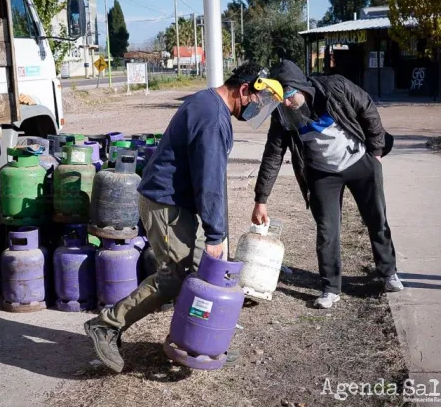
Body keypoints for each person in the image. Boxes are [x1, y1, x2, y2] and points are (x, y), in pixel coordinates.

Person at [85, 62, 284, 373]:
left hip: (176, 204)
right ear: (244, 89)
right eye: (256, 102)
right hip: (165, 204)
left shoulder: (207, 102)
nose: (255, 109)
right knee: (175, 277)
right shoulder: (213, 119)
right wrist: (216, 235)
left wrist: (214, 231)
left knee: (196, 273)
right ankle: (106, 326)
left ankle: (195, 341)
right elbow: (209, 181)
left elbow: (207, 179)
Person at [251, 59, 403, 310]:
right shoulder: (282, 115)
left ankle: (388, 274)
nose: (286, 103)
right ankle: (331, 288)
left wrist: (375, 153)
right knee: (327, 231)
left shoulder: (335, 88)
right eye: (281, 99)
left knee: (376, 219)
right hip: (323, 175)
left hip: (359, 162)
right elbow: (273, 155)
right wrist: (261, 199)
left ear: (300, 87)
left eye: (289, 96)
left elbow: (367, 108)